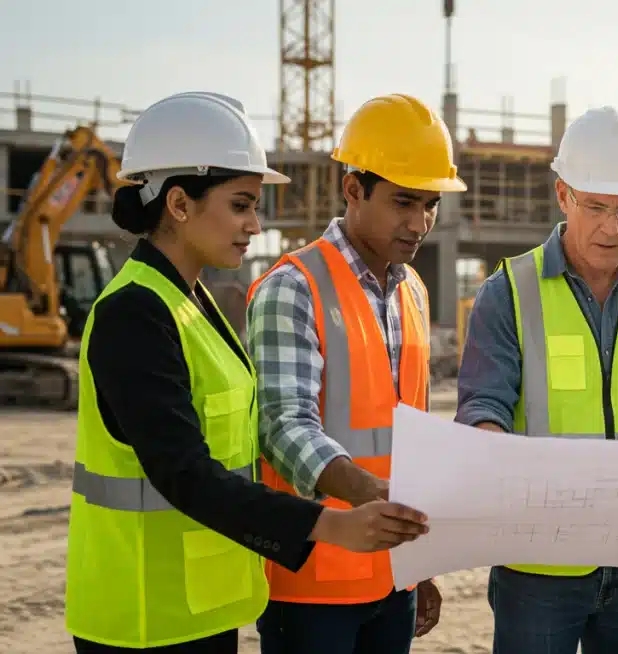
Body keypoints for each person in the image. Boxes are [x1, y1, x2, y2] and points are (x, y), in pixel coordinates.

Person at [64, 91, 427, 653]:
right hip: (142, 616)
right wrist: (331, 524)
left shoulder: (192, 302)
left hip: (203, 603)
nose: (255, 225)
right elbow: (185, 474)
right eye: (240, 205)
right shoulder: (133, 313)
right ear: (180, 204)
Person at [455, 105, 618, 654]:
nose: (613, 228)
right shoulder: (508, 292)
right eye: (596, 207)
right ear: (563, 195)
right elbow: (481, 409)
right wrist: (490, 456)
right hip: (539, 567)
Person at [246, 93, 463, 654]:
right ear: (352, 190)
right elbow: (283, 426)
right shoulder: (293, 287)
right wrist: (371, 494)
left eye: (430, 204)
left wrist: (421, 564)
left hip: (394, 576)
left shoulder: (411, 290)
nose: (420, 223)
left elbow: (408, 432)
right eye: (403, 202)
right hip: (313, 580)